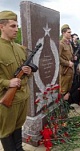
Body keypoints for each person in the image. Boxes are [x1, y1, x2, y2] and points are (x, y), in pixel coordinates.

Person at [0, 10, 32, 150]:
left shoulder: (20, 48)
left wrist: (28, 72)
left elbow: (26, 73)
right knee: (6, 131)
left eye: (17, 26)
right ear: (2, 27)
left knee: (18, 127)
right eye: (12, 26)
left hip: (23, 97)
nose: (16, 29)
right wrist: (8, 83)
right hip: (8, 101)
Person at [59, 24, 74, 95]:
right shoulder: (61, 44)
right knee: (63, 90)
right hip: (65, 70)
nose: (70, 34)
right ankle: (61, 105)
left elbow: (69, 55)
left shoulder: (69, 43)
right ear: (63, 33)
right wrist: (67, 63)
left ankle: (66, 105)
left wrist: (74, 57)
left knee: (69, 88)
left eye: (70, 32)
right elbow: (57, 57)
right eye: (69, 32)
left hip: (70, 70)